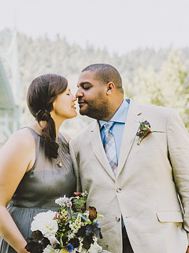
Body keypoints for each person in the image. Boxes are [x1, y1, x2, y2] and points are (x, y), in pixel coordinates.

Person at [70, 63, 189, 253]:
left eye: (86, 87)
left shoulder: (164, 119)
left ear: (109, 88)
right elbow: (80, 202)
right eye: (77, 88)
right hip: (106, 246)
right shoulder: (77, 143)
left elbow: (187, 182)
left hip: (164, 243)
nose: (77, 94)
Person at [0, 74, 78, 253]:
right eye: (68, 94)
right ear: (52, 101)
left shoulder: (67, 141)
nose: (74, 98)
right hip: (22, 243)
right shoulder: (23, 141)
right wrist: (25, 250)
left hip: (58, 245)